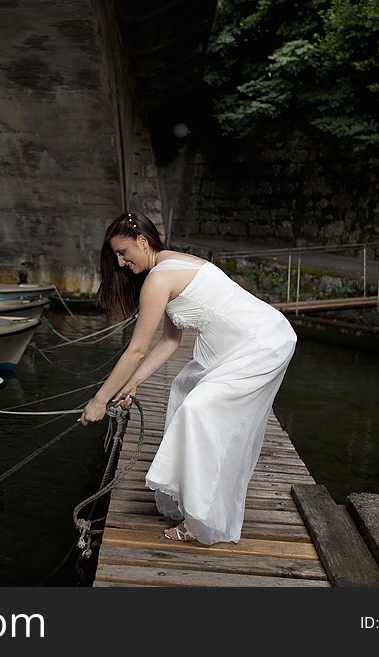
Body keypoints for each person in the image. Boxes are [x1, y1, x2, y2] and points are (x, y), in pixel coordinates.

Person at [80, 211, 297, 545]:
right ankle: (193, 500)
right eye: (116, 257)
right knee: (183, 389)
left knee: (198, 412)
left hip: (261, 343)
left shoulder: (158, 279)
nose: (121, 263)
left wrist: (99, 400)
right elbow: (170, 341)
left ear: (142, 241)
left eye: (123, 252)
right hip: (248, 341)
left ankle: (200, 522)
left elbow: (137, 350)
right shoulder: (169, 264)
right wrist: (134, 382)